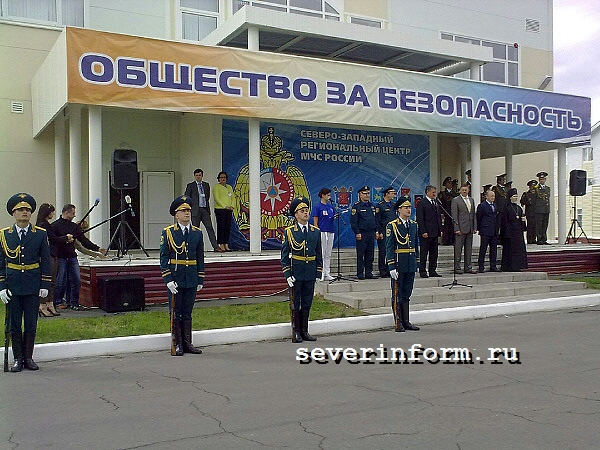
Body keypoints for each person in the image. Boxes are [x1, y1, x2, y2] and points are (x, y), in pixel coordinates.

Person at [0, 193, 51, 372]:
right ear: (13, 213)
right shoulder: (5, 235)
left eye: (28, 210)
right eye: (21, 210)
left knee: (30, 323)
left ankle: (28, 358)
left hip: (32, 284)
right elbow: (1, 263)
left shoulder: (40, 234)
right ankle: (18, 359)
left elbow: (46, 260)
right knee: (14, 324)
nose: (25, 212)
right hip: (13, 286)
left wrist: (45, 284)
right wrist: (2, 286)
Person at [160, 195, 205, 356]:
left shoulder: (197, 233)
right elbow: (164, 257)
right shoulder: (168, 233)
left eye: (189, 210)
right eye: (183, 210)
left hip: (191, 277)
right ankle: (177, 343)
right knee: (176, 312)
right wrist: (168, 279)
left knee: (187, 312)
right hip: (176, 278)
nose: (187, 213)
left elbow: (200, 257)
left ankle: (187, 343)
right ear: (176, 214)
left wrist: (200, 278)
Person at [281, 196, 322, 343]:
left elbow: (318, 253)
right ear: (296, 214)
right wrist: (287, 274)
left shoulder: (315, 231)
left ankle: (305, 331)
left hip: (310, 272)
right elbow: (284, 255)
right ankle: (296, 332)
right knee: (295, 303)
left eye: (307, 210)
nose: (306, 213)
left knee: (307, 302)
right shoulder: (290, 232)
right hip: (296, 273)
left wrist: (318, 272)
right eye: (302, 211)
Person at [51, 204, 105, 311]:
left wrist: (97, 248)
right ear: (66, 212)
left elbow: (83, 240)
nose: (75, 215)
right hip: (60, 257)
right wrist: (64, 239)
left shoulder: (74, 227)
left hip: (72, 257)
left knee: (77, 280)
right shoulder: (55, 226)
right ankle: (58, 301)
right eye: (73, 213)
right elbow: (53, 240)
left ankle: (74, 302)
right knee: (60, 281)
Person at [386, 195, 420, 332]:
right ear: (399, 209)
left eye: (409, 207)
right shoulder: (392, 225)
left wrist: (417, 262)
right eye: (405, 207)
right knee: (397, 294)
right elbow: (389, 247)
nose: (408, 210)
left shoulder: (413, 225)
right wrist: (391, 266)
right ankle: (398, 322)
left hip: (410, 263)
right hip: (399, 263)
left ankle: (406, 321)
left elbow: (415, 245)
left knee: (407, 293)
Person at [184, 168, 221, 252]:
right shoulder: (191, 185)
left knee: (209, 228)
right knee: (195, 230)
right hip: (195, 210)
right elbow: (187, 197)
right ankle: (194, 248)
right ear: (194, 176)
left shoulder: (206, 185)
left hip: (204, 209)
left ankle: (215, 246)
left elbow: (207, 196)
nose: (198, 177)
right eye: (196, 175)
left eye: (199, 175)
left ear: (202, 176)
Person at [35, 203, 61, 317]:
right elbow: (53, 238)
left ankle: (50, 303)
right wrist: (65, 238)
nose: (53, 214)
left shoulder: (46, 225)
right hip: (47, 255)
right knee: (47, 281)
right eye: (51, 212)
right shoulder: (43, 225)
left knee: (52, 282)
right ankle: (42, 304)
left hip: (53, 254)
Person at [350, 186, 377, 279]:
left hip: (371, 233)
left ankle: (369, 272)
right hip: (362, 233)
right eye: (365, 193)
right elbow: (354, 222)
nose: (367, 195)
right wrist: (357, 232)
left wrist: (376, 231)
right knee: (361, 255)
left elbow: (374, 220)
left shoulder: (371, 206)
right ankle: (360, 273)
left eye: (368, 193)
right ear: (360, 195)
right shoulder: (357, 207)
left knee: (370, 255)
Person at [416, 185, 442, 278]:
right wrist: (423, 231)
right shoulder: (422, 203)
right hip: (426, 232)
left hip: (435, 232)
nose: (434, 194)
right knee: (424, 253)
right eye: (433, 192)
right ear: (427, 192)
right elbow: (420, 218)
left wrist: (440, 229)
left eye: (435, 192)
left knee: (434, 253)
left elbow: (438, 217)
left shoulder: (435, 202)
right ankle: (422, 271)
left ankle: (432, 270)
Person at [451, 183, 477, 274]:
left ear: (468, 190)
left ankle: (468, 267)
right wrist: (456, 228)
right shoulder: (456, 200)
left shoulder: (471, 200)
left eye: (466, 190)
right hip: (460, 228)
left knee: (468, 249)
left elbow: (473, 214)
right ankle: (457, 267)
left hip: (470, 228)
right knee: (458, 249)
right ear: (460, 191)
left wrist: (474, 227)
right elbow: (454, 216)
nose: (464, 191)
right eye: (463, 190)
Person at [501, 188, 528, 271]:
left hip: (518, 232)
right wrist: (507, 233)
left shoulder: (518, 208)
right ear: (510, 197)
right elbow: (504, 221)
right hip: (510, 232)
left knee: (519, 249)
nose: (515, 198)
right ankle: (509, 266)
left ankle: (519, 266)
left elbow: (521, 218)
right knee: (510, 250)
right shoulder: (506, 208)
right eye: (514, 196)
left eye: (516, 196)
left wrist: (523, 221)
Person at [311, 188, 335, 281]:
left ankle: (326, 273)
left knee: (328, 253)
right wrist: (317, 231)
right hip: (322, 231)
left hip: (330, 230)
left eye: (329, 195)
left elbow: (332, 217)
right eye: (328, 195)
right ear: (323, 195)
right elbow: (315, 221)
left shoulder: (330, 207)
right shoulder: (318, 207)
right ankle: (320, 273)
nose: (329, 197)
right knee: (321, 253)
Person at [476, 189, 501, 273]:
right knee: (483, 248)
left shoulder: (495, 206)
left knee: (493, 249)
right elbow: (479, 218)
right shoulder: (482, 206)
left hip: (494, 230)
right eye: (491, 196)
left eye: (494, 196)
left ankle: (493, 266)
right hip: (485, 230)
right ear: (486, 196)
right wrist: (480, 228)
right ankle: (481, 266)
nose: (493, 197)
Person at [375, 186, 397, 278]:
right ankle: (382, 270)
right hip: (383, 231)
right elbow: (377, 220)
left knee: (391, 251)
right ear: (387, 194)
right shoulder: (380, 205)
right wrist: (378, 232)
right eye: (392, 193)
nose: (394, 195)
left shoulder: (394, 205)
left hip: (393, 231)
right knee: (383, 251)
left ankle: (389, 269)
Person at [213, 171, 234, 252]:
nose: (223, 179)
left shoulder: (229, 187)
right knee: (221, 227)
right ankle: (221, 244)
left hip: (229, 210)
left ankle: (226, 243)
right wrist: (225, 206)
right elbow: (217, 198)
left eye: (224, 177)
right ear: (218, 179)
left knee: (227, 227)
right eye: (221, 177)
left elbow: (233, 197)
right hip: (220, 209)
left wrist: (232, 206)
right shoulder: (216, 187)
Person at [533, 171, 551, 245]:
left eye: (543, 179)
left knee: (545, 225)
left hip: (546, 209)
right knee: (539, 225)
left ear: (545, 179)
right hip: (539, 210)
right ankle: (539, 239)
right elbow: (534, 200)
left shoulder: (548, 188)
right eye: (540, 179)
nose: (542, 180)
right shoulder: (536, 189)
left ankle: (544, 239)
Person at [438, 176, 456, 245]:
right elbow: (440, 205)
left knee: (453, 227)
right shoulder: (442, 193)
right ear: (445, 184)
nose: (450, 184)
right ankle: (446, 241)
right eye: (448, 183)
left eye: (451, 183)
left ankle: (453, 240)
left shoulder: (454, 193)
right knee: (446, 227)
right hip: (446, 213)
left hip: (453, 213)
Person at [520, 180, 538, 244]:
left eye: (534, 186)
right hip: (530, 212)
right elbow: (522, 202)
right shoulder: (526, 194)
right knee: (530, 226)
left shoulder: (537, 194)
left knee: (535, 226)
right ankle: (529, 239)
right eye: (532, 186)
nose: (533, 188)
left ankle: (534, 239)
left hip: (536, 212)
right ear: (529, 187)